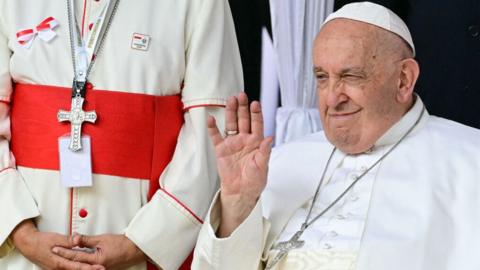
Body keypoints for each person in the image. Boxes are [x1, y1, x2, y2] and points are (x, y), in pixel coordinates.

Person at [192, 2, 480, 270]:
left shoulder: (470, 162)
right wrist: (238, 203)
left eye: (351, 76)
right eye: (321, 77)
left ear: (403, 80)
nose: (332, 98)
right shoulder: (277, 163)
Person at [0, 0, 242, 269]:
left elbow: (211, 134)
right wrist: (19, 231)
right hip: (21, 254)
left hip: (140, 249)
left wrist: (141, 243)